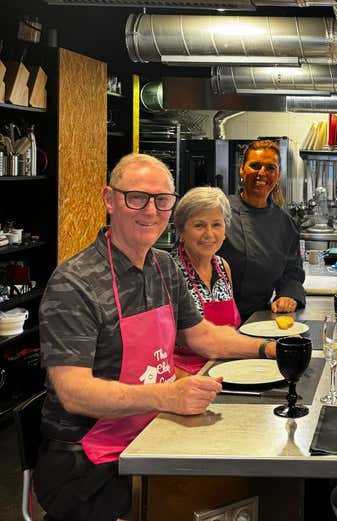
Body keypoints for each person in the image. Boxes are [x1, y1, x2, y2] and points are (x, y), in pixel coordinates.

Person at [34, 154, 276, 521]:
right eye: (137, 197)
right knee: (212, 498)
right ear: (109, 199)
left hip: (153, 430)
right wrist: (165, 395)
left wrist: (270, 348)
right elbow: (73, 391)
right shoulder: (75, 283)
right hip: (86, 464)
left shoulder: (163, 267)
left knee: (252, 477)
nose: (151, 211)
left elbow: (204, 338)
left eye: (162, 200)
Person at [171, 186, 274, 377]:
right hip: (187, 377)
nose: (209, 234)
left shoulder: (222, 266)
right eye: (199, 225)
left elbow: (230, 334)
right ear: (181, 230)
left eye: (216, 224)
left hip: (229, 368)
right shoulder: (170, 272)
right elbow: (155, 352)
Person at [218, 139, 305, 321]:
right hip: (213, 318)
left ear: (278, 175)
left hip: (259, 319)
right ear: (242, 169)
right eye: (255, 166)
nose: (262, 173)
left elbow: (292, 272)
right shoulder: (218, 212)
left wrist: (288, 295)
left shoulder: (284, 223)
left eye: (270, 168)